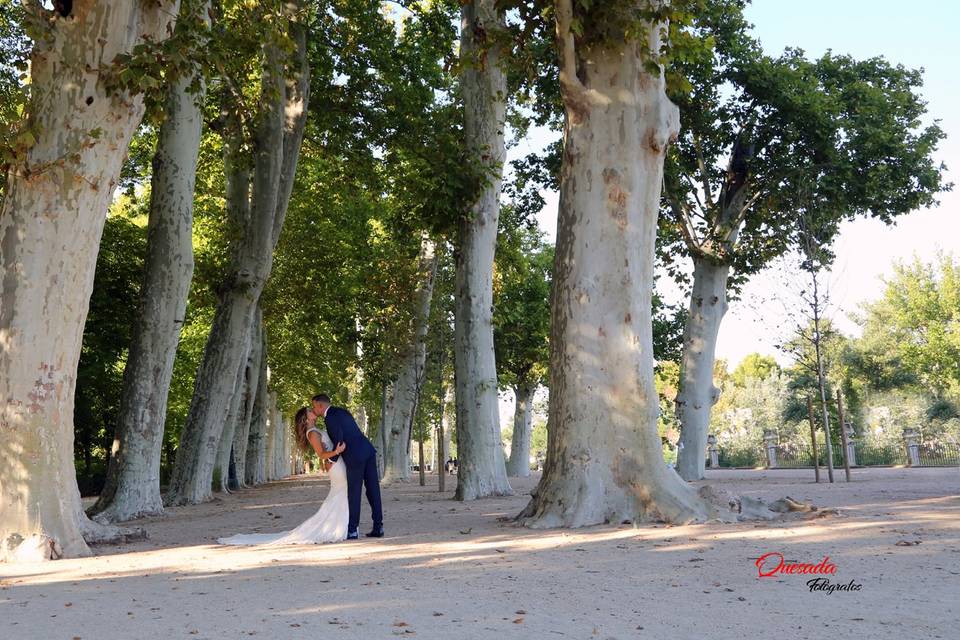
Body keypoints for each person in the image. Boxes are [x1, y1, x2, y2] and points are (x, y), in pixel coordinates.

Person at [218, 407, 347, 546]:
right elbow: (321, 455)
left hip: (336, 463)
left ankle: (341, 525)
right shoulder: (313, 433)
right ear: (306, 417)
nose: (313, 410)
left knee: (341, 493)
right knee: (341, 493)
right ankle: (338, 527)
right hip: (336, 465)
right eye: (310, 410)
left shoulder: (315, 430)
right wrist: (337, 451)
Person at [311, 393, 384, 539]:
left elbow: (339, 441)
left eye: (314, 406)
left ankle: (352, 530)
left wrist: (330, 461)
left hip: (354, 456)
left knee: (354, 493)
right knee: (373, 490)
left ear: (320, 405)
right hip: (368, 450)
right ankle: (378, 527)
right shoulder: (342, 411)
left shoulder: (330, 418)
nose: (314, 410)